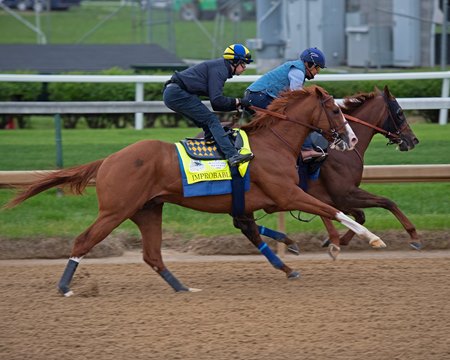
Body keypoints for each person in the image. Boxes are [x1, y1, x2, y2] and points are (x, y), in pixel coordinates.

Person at [163, 43, 254, 167]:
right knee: (212, 121)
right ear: (234, 62)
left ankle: (211, 148)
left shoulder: (220, 67)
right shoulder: (220, 69)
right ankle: (232, 155)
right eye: (243, 63)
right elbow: (217, 102)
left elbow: (217, 101)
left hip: (175, 93)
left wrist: (237, 104)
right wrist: (238, 102)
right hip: (177, 93)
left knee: (207, 123)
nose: (245, 68)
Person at [242, 47, 328, 162]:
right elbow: (296, 97)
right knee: (299, 118)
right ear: (309, 64)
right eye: (317, 68)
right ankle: (306, 150)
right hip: (260, 97)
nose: (317, 72)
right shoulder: (298, 71)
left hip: (256, 96)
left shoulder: (297, 68)